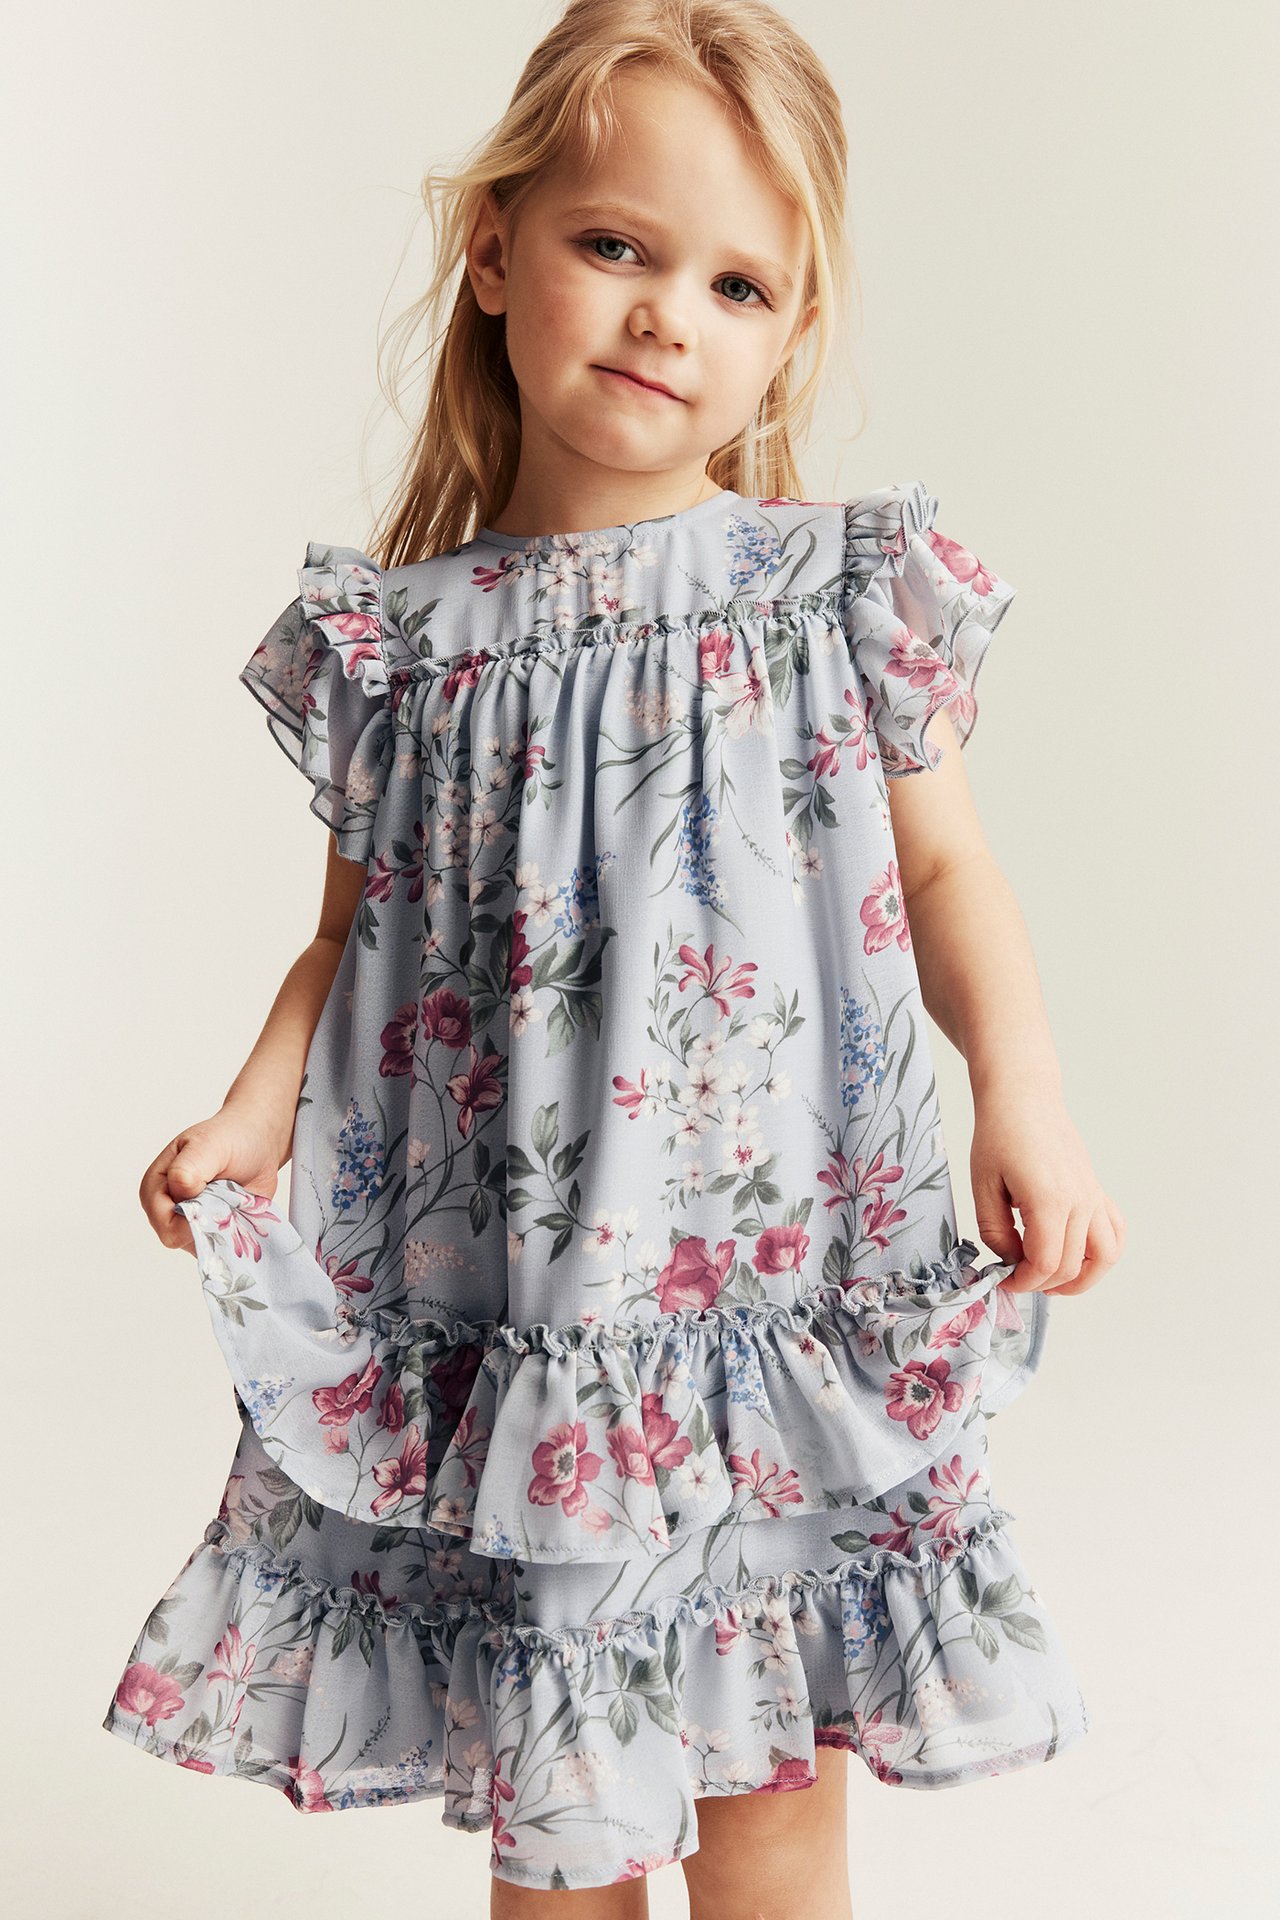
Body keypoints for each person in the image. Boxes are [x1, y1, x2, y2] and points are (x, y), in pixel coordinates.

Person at [101, 2, 1125, 1913]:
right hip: (520, 1291)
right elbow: (346, 938)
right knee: (561, 1811)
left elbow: (945, 866)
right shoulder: (406, 647)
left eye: (737, 283)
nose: (669, 316)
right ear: (493, 252)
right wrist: (251, 1116)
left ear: (788, 334)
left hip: (762, 1291)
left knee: (772, 1788)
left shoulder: (832, 594)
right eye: (618, 246)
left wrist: (1027, 1091)